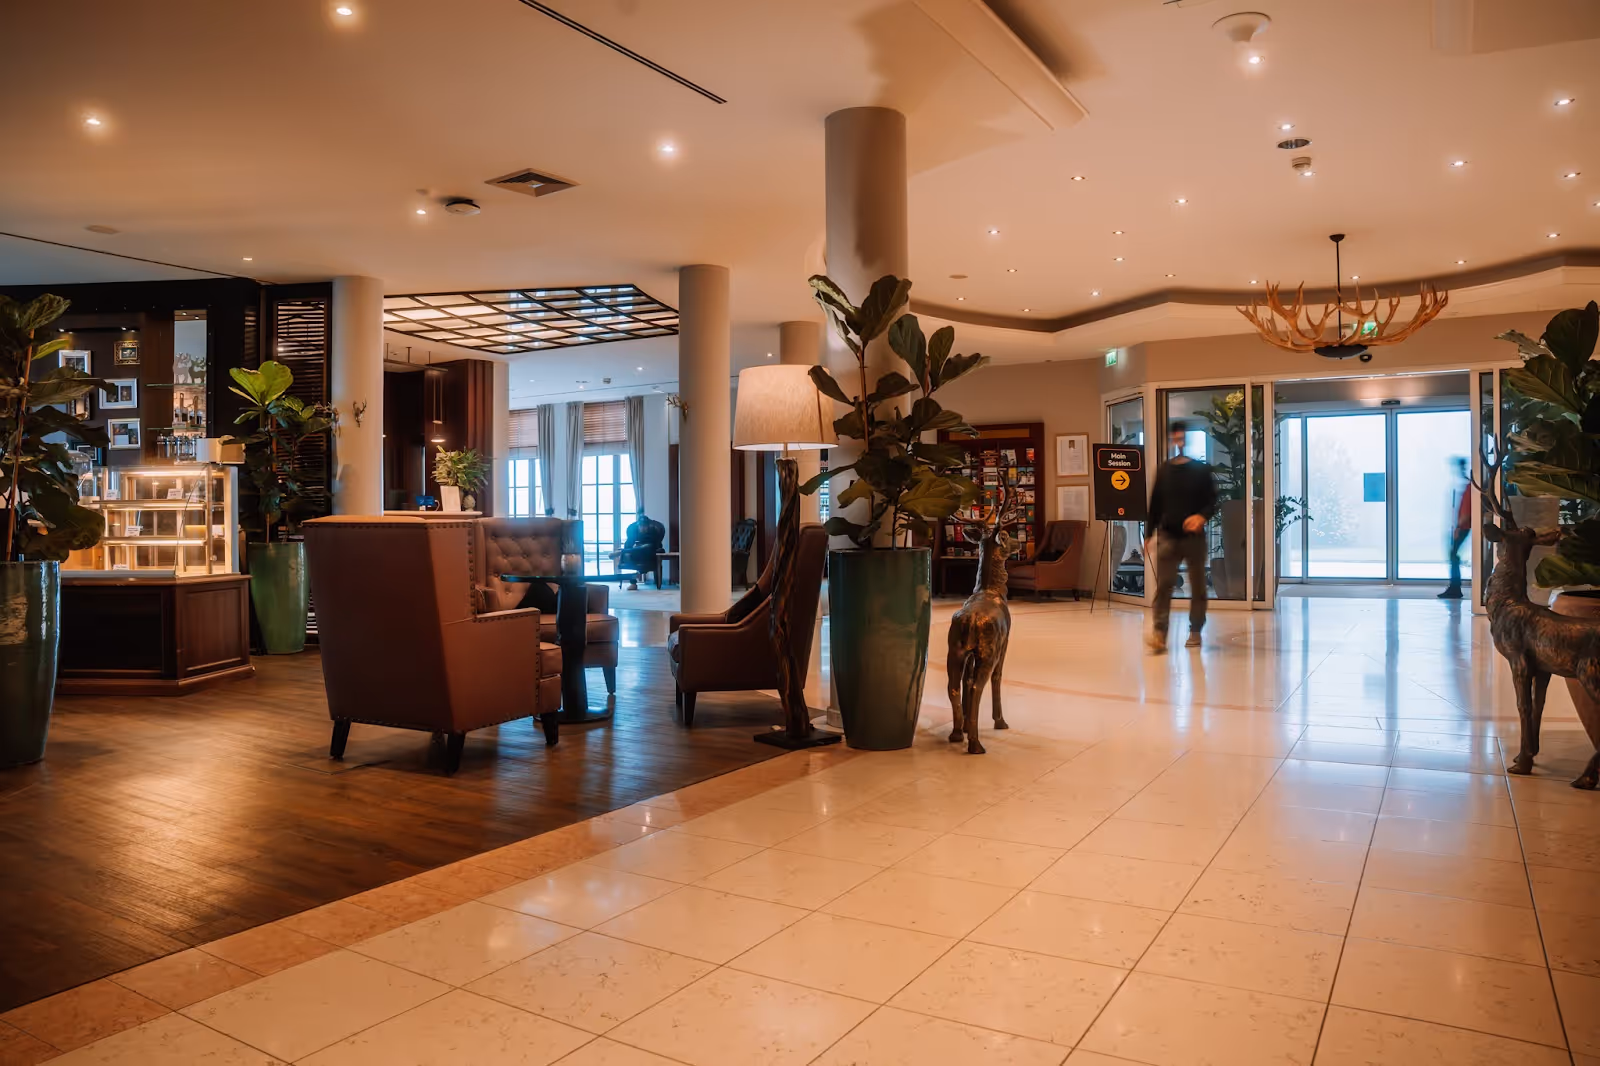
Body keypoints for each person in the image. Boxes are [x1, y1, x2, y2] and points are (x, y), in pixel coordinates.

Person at [1145, 420, 1217, 653]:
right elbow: (1155, 504)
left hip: (1193, 539)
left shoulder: (1201, 470)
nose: (1178, 441)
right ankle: (1159, 634)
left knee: (1197, 586)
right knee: (1164, 585)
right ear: (1170, 440)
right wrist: (1148, 534)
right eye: (1174, 437)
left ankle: (1195, 630)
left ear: (1187, 438)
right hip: (1167, 535)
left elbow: (1212, 501)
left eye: (1182, 437)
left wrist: (1201, 517)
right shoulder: (1164, 470)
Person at [1439, 457, 1471, 599]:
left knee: (1453, 554)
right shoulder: (1467, 484)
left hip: (1464, 526)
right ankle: (1454, 586)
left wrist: (1458, 527)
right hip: (1462, 525)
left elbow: (1466, 512)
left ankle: (1455, 587)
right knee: (1453, 555)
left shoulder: (1470, 487)